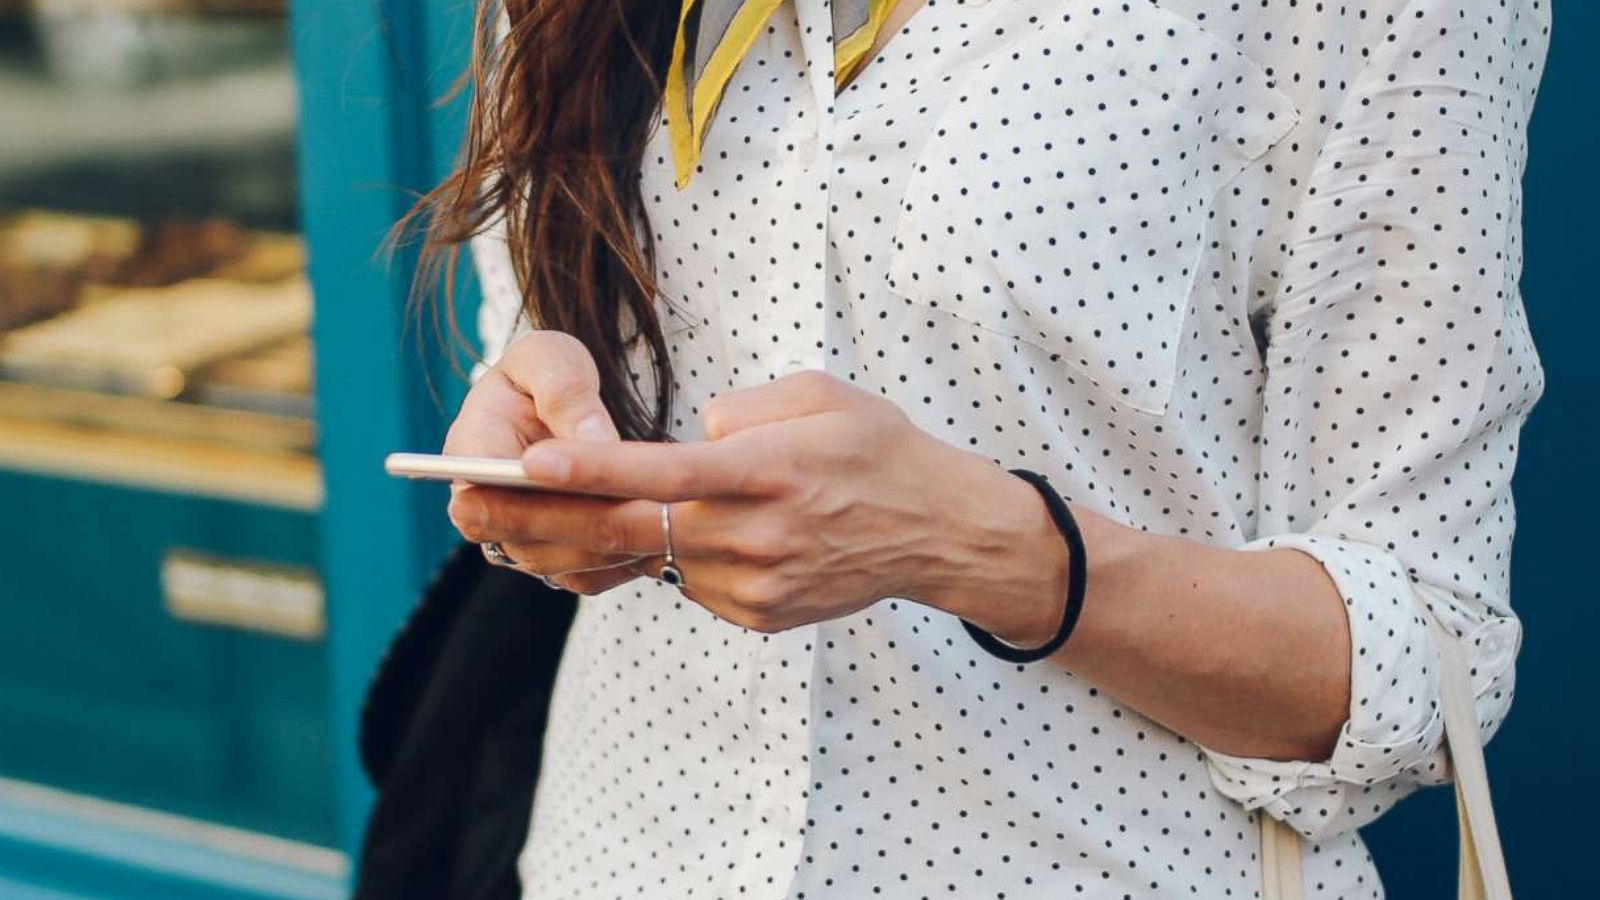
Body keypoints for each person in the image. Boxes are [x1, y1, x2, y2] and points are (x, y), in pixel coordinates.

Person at [402, 0, 1552, 896]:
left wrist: (980, 546)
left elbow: (1427, 647)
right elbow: (537, 336)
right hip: (613, 862)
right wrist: (535, 433)